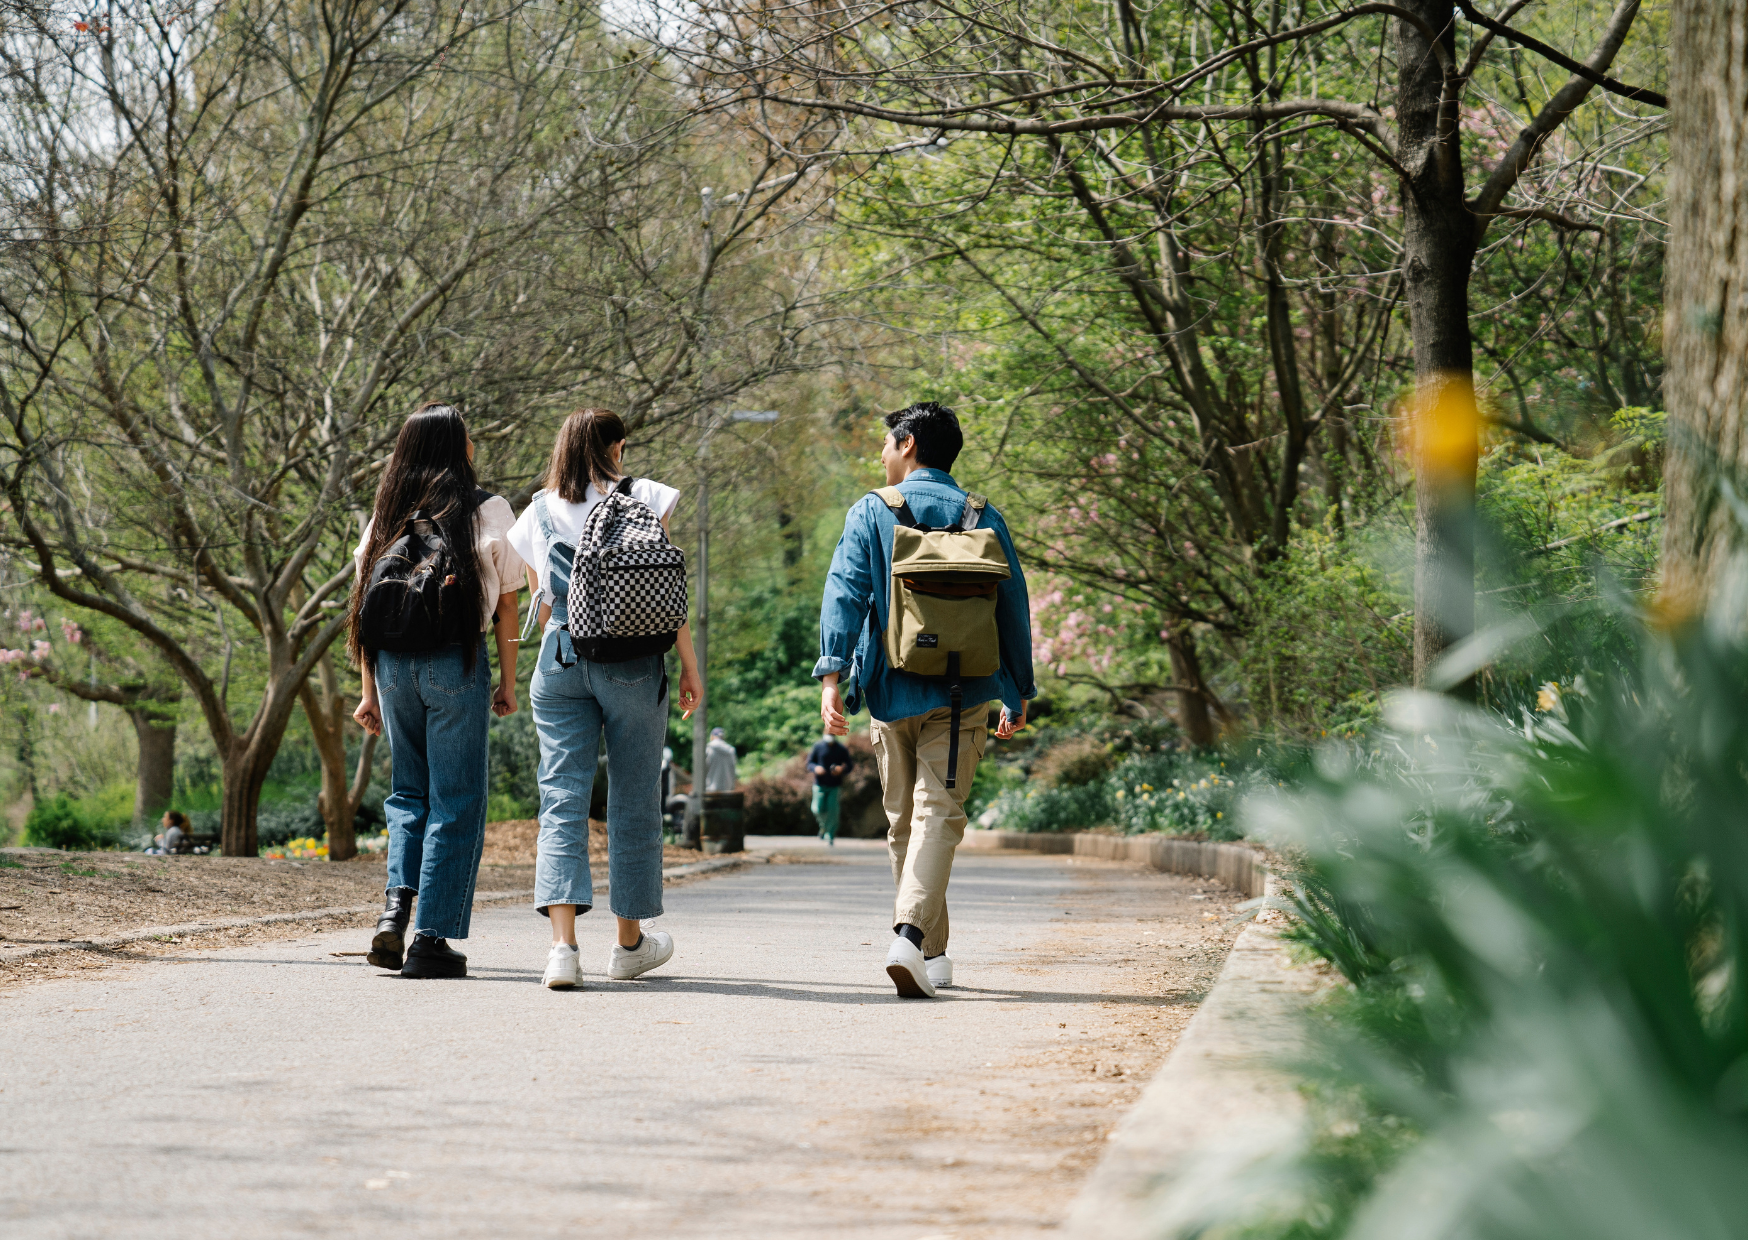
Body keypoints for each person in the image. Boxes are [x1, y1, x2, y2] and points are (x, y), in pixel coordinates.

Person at [815, 401, 1034, 998]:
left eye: (887, 442)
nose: (882, 453)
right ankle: (928, 951)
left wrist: (832, 675)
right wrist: (1018, 690)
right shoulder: (983, 515)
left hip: (891, 689)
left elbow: (845, 592)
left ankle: (908, 937)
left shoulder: (872, 510)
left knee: (904, 825)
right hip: (966, 692)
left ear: (908, 443)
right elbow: (1013, 607)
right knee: (935, 815)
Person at [506, 408, 702, 991]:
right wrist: (689, 667)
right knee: (635, 799)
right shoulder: (648, 498)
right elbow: (665, 594)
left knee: (561, 798)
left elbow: (541, 598)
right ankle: (628, 944)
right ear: (617, 448)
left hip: (561, 659)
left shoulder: (537, 511)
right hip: (634, 664)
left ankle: (562, 950)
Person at [349, 402, 525, 980]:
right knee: (456, 798)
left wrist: (369, 691)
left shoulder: (388, 510)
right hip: (456, 660)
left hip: (392, 668)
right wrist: (507, 680)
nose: (473, 444)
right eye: (467, 436)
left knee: (408, 793)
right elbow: (506, 604)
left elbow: (365, 607)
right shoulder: (487, 507)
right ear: (457, 447)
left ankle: (393, 913)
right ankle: (431, 938)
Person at [805, 732, 853, 845]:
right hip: (819, 784)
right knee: (817, 809)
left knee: (833, 811)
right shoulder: (818, 746)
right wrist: (816, 768)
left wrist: (841, 769)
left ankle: (829, 835)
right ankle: (823, 827)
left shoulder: (841, 749)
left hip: (834, 785)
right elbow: (809, 763)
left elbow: (849, 765)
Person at [704, 726, 738, 793]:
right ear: (723, 737)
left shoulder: (708, 749)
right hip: (727, 790)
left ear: (712, 736)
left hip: (710, 790)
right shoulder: (731, 750)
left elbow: (703, 769)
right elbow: (733, 770)